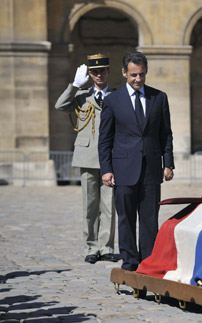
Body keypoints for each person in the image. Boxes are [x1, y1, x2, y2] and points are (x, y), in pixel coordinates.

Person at [98, 51, 175, 271]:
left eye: (141, 74)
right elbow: (105, 139)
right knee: (126, 219)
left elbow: (165, 134)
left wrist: (167, 163)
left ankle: (149, 262)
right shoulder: (113, 101)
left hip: (151, 169)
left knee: (150, 219)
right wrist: (106, 169)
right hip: (123, 169)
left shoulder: (159, 98)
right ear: (124, 73)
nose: (138, 79)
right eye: (133, 75)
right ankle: (130, 261)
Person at [55, 53, 118, 264]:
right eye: (95, 72)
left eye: (103, 70)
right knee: (90, 206)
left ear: (109, 71)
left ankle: (106, 246)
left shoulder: (117, 97)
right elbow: (60, 106)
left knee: (109, 206)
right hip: (87, 156)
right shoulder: (81, 97)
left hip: (110, 158)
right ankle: (91, 247)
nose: (99, 75)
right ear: (90, 75)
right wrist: (74, 86)